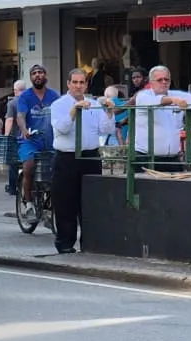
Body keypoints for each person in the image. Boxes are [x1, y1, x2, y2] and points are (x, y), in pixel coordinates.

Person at [49, 69, 115, 254]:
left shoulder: (94, 104)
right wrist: (73, 111)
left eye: (82, 82)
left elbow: (105, 129)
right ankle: (65, 243)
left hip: (90, 156)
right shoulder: (59, 104)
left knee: (91, 202)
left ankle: (90, 243)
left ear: (86, 85)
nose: (78, 86)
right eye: (75, 82)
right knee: (65, 203)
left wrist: (109, 112)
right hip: (67, 157)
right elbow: (61, 129)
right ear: (68, 84)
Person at [128, 65, 191, 172]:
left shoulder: (175, 95)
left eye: (167, 79)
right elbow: (154, 102)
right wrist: (173, 100)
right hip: (145, 158)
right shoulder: (143, 95)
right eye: (160, 80)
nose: (164, 82)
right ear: (151, 82)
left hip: (172, 159)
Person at [14, 64, 61, 223]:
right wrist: (24, 130)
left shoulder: (54, 95)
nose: (37, 75)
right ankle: (29, 204)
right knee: (29, 167)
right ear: (31, 77)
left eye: (40, 72)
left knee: (58, 170)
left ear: (45, 75)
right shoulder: (25, 96)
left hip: (51, 141)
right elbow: (20, 116)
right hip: (30, 141)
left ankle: (51, 205)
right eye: (34, 73)